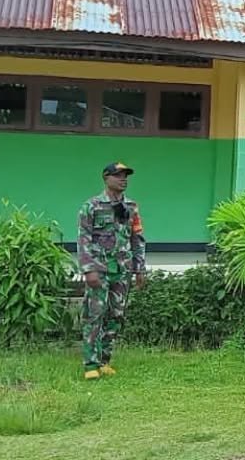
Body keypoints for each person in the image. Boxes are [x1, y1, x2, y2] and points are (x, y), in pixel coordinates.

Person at [78, 162, 146, 380]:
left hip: (122, 269)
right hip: (99, 268)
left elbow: (137, 238)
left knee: (116, 315)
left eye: (125, 176)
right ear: (106, 178)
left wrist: (139, 269)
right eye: (118, 175)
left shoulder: (131, 207)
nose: (123, 179)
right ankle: (90, 364)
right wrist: (88, 269)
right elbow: (83, 239)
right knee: (94, 314)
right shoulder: (92, 206)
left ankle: (105, 360)